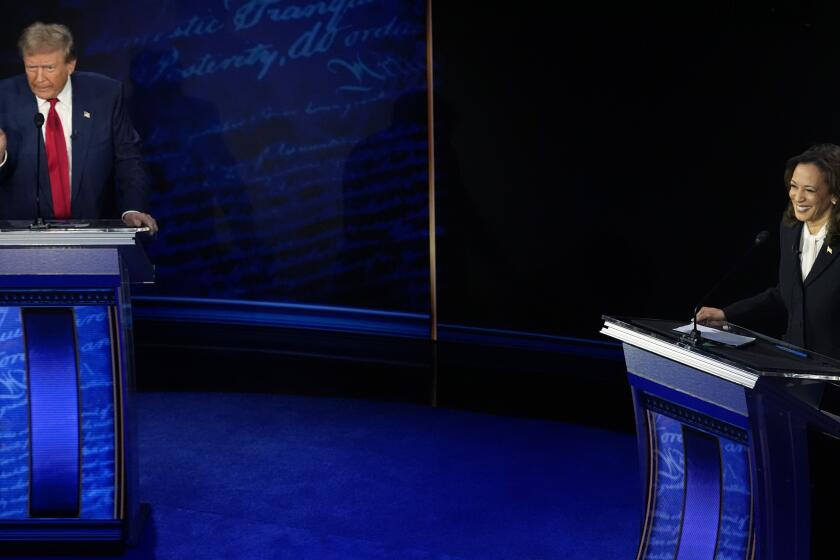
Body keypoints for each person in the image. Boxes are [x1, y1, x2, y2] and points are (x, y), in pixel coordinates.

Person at [0, 22, 157, 232]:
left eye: (49, 68)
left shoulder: (105, 95)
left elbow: (129, 159)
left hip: (95, 232)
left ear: (70, 64)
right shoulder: (4, 98)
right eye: (31, 67)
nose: (39, 79)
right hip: (22, 238)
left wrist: (132, 209)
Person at [696, 143, 840, 358]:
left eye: (809, 190)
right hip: (794, 364)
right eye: (794, 186)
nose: (797, 197)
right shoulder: (791, 229)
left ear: (834, 195)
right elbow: (787, 293)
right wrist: (727, 314)